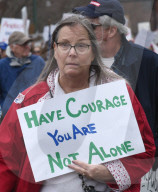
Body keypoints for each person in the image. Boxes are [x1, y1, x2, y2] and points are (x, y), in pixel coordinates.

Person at [0, 16, 155, 192]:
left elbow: (145, 151)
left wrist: (108, 173)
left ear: (93, 52)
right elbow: (5, 160)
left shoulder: (118, 95)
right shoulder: (29, 102)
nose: (72, 52)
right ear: (55, 49)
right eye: (64, 44)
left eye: (81, 45)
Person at [72, 0, 158, 157]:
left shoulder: (148, 62)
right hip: (92, 162)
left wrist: (147, 155)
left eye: (90, 26)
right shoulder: (76, 63)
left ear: (111, 31)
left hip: (139, 165)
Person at [0, 31, 45, 118]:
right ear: (12, 47)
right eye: (23, 44)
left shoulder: (38, 62)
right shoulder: (2, 65)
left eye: (28, 44)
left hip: (34, 116)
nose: (27, 47)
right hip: (10, 118)